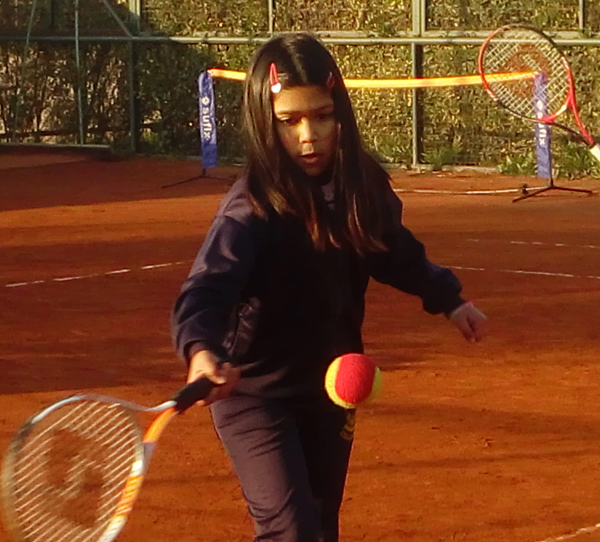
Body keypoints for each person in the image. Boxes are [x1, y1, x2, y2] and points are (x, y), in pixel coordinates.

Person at [171, 33, 487, 542]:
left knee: (320, 526)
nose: (309, 135)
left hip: (331, 389)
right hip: (253, 394)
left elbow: (390, 249)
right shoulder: (250, 209)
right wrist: (201, 349)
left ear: (339, 110)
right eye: (289, 122)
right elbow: (207, 289)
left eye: (321, 115)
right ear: (263, 121)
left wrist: (448, 298)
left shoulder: (361, 184)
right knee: (290, 531)